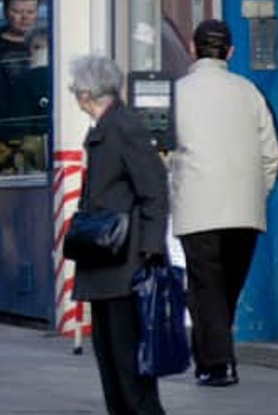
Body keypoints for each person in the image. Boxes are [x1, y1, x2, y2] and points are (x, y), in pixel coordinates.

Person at [171, 19, 278, 387]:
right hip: (245, 208)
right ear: (231, 52)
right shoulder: (250, 92)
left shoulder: (178, 92)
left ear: (192, 47)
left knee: (206, 285)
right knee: (227, 287)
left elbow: (164, 152)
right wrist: (256, 191)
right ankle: (210, 357)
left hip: (198, 204)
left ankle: (218, 363)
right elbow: (272, 154)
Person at [69, 54, 168, 415]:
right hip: (106, 259)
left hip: (124, 262)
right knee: (110, 354)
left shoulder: (124, 128)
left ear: (85, 93)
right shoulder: (107, 128)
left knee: (128, 360)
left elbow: (154, 190)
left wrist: (150, 250)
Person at [0, 0, 41, 164]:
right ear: (5, 12)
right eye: (17, 11)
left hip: (38, 126)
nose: (24, 18)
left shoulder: (48, 44)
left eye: (30, 12)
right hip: (2, 129)